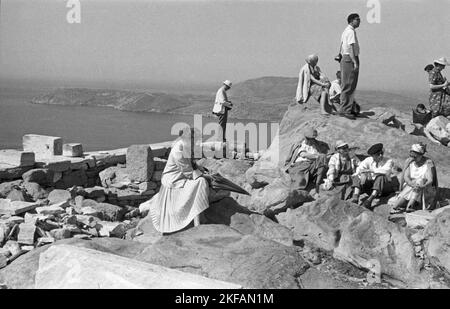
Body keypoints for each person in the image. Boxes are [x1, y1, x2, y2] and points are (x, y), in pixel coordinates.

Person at [139, 127, 210, 234]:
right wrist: (204, 176)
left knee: (201, 182)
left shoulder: (187, 146)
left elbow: (191, 163)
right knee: (201, 183)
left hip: (182, 177)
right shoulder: (178, 149)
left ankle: (198, 218)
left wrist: (201, 169)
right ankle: (197, 222)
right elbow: (188, 171)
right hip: (174, 180)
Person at [284, 127, 330, 195]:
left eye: (313, 138)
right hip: (300, 166)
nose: (312, 140)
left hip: (313, 165)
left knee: (324, 161)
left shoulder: (317, 144)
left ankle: (317, 183)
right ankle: (295, 195)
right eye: (310, 138)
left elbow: (327, 152)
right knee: (299, 181)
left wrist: (322, 156)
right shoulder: (300, 145)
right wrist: (317, 156)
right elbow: (304, 154)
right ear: (306, 137)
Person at [392, 144, 437, 212]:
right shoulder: (409, 162)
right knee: (414, 185)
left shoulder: (428, 163)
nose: (413, 158)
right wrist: (411, 184)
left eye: (415, 157)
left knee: (419, 181)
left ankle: (398, 206)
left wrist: (422, 186)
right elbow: (406, 177)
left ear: (421, 155)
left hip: (425, 187)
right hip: (411, 185)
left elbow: (430, 179)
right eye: (411, 156)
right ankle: (407, 206)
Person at [350, 143, 397, 209]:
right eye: (378, 154)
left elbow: (385, 171)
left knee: (381, 176)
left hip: (383, 188)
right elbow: (360, 168)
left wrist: (370, 170)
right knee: (357, 175)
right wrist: (362, 174)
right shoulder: (368, 160)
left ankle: (369, 200)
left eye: (382, 153)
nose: (380, 155)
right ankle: (355, 197)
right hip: (371, 186)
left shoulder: (389, 161)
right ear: (372, 155)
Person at [337, 13, 361, 120]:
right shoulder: (350, 32)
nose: (359, 21)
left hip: (346, 58)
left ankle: (347, 108)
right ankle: (345, 109)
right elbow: (350, 47)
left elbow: (342, 45)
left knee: (348, 83)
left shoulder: (346, 31)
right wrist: (354, 61)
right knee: (349, 84)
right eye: (357, 19)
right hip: (349, 58)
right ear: (351, 20)